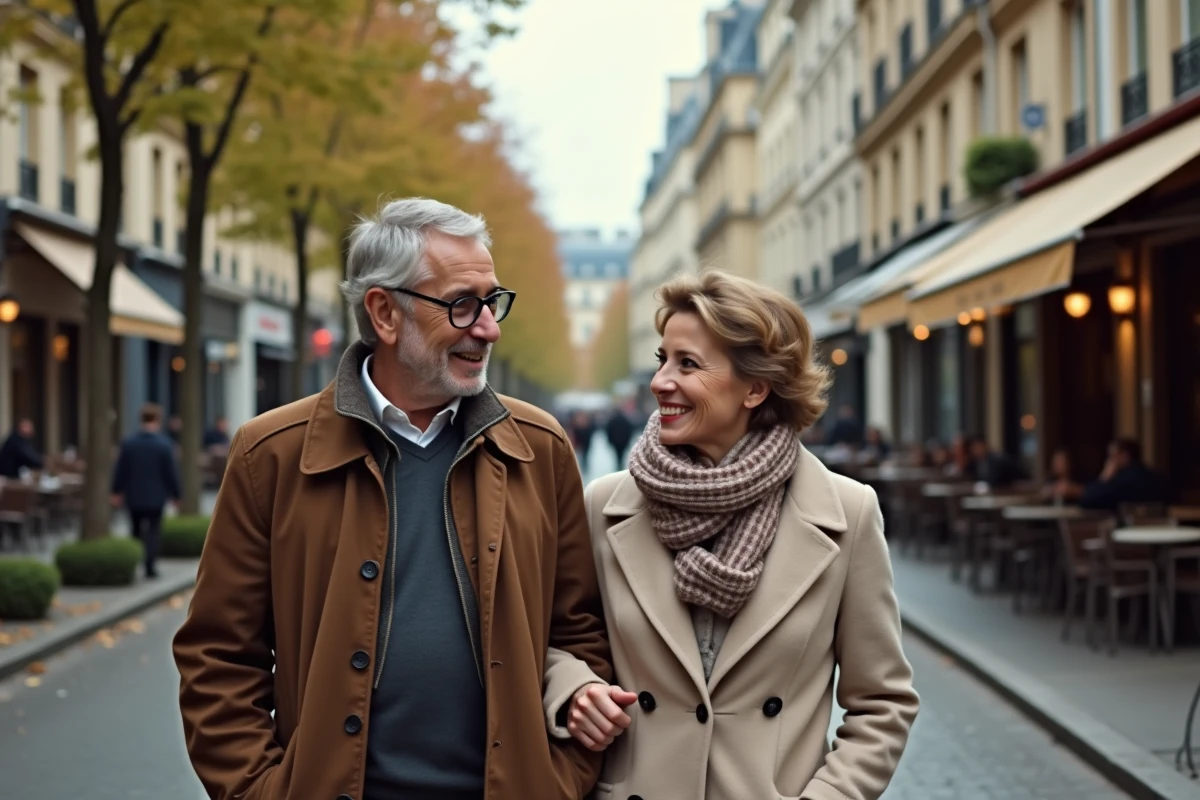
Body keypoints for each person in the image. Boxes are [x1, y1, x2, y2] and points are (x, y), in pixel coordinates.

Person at [172, 198, 614, 800]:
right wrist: (263, 791)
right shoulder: (270, 454)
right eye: (463, 304)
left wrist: (556, 779)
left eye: (493, 301)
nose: (489, 327)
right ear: (384, 313)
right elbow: (218, 657)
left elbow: (580, 633)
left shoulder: (539, 448)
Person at [549, 271, 919, 799]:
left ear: (755, 388)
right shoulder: (605, 506)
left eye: (688, 364)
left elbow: (883, 703)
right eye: (662, 359)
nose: (659, 382)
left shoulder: (848, 513)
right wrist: (573, 690)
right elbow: (553, 641)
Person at [110, 403, 180, 578]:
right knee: (154, 531)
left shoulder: (128, 443)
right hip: (156, 496)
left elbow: (121, 470)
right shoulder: (164, 445)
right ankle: (150, 566)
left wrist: (116, 491)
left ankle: (135, 563)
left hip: (134, 495)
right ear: (158, 420)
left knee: (134, 529)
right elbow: (170, 473)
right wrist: (176, 494)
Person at [1079, 438, 1172, 513]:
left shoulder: (1120, 482)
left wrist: (1105, 476)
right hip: (1160, 532)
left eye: (1112, 456)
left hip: (1126, 534)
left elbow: (1088, 500)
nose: (1108, 461)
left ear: (1124, 456)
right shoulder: (1159, 478)